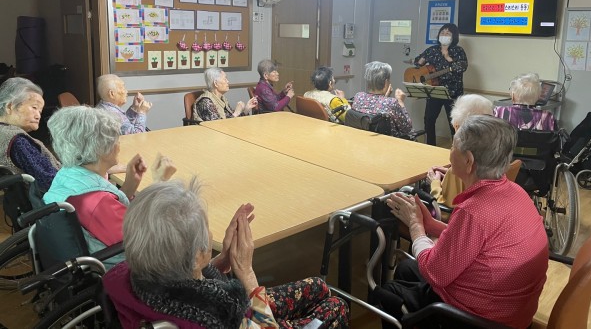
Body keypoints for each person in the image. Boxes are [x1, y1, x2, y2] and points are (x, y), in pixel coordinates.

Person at [103, 180, 349, 329]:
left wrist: (219, 263)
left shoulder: (133, 274)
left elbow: (190, 280)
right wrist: (247, 274)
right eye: (206, 228)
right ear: (196, 257)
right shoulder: (216, 316)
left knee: (318, 286)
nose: (210, 234)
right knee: (336, 306)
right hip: (255, 322)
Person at [382, 116, 548, 329]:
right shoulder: (516, 192)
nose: (450, 151)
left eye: (453, 146)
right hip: (514, 311)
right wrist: (430, 225)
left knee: (388, 294)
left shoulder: (473, 211)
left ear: (469, 161)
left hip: (482, 320)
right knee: (406, 268)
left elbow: (434, 272)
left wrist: (416, 227)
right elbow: (479, 241)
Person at [43, 106, 176, 266]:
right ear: (100, 149)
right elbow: (147, 240)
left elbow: (108, 216)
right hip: (126, 269)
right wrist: (160, 184)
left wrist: (129, 185)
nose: (119, 145)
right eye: (115, 140)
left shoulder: (68, 173)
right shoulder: (96, 202)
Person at [425, 94, 493, 205]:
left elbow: (446, 208)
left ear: (456, 126)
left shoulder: (461, 162)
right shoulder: (496, 154)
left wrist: (435, 183)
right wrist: (449, 176)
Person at [0, 77, 61, 192]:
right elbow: (49, 181)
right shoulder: (18, 141)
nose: (38, 116)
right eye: (34, 108)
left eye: (40, 111)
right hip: (51, 200)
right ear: (9, 107)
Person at [414, 23, 468, 146]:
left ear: (453, 36)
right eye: (442, 32)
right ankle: (430, 146)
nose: (444, 35)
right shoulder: (432, 50)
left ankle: (457, 148)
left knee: (454, 122)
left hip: (453, 92)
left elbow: (462, 67)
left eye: (448, 33)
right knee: (429, 120)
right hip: (434, 90)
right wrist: (420, 61)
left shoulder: (458, 51)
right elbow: (417, 62)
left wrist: (448, 57)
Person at [352, 61, 412, 138]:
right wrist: (400, 102)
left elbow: (376, 107)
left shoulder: (358, 96)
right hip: (388, 143)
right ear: (386, 83)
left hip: (362, 140)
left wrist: (385, 97)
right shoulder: (391, 103)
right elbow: (407, 128)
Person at [193, 67, 257, 121]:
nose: (228, 81)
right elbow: (218, 126)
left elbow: (232, 120)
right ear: (216, 83)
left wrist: (246, 109)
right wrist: (236, 112)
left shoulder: (222, 99)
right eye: (225, 79)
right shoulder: (206, 102)